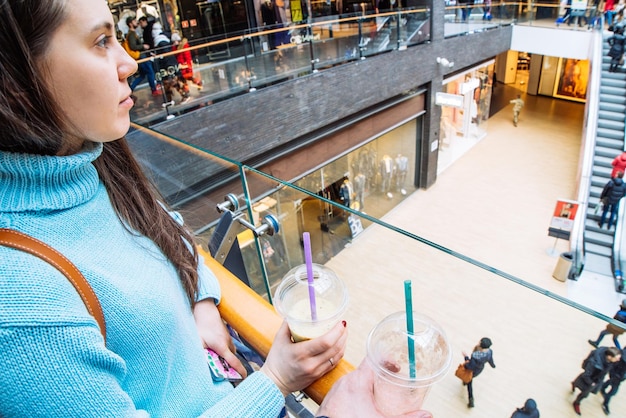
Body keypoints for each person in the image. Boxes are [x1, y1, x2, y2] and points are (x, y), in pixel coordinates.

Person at [0, 1, 395, 416]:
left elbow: (162, 227)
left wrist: (200, 299)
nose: (129, 62)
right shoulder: (20, 307)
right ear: (16, 74)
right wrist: (276, 379)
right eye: (102, 41)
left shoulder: (89, 165)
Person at [571, 347, 622, 415]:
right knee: (584, 393)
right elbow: (586, 375)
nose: (618, 360)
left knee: (583, 387)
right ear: (609, 357)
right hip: (591, 380)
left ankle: (574, 384)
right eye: (617, 358)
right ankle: (577, 402)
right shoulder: (594, 362)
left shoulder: (611, 362)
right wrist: (592, 383)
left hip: (597, 379)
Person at [126, 16, 161, 97]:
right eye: (134, 21)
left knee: (142, 74)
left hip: (140, 56)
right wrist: (143, 46)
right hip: (141, 56)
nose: (136, 22)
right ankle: (153, 89)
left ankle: (130, 89)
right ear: (130, 24)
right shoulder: (131, 34)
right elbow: (133, 46)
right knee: (150, 72)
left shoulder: (133, 33)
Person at [461, 337, 496, 408]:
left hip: (472, 371)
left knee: (469, 383)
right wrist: (493, 366)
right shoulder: (489, 352)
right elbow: (491, 360)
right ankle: (465, 383)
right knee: (469, 380)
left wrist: (466, 358)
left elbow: (470, 366)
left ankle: (471, 398)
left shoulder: (475, 355)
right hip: (479, 370)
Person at [600, 347, 626, 415]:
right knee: (613, 391)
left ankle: (602, 387)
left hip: (617, 375)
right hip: (617, 375)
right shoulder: (623, 358)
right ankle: (605, 403)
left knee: (611, 382)